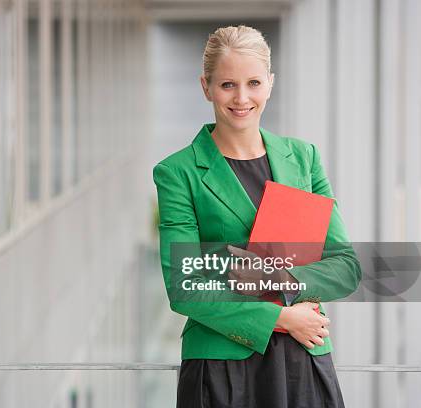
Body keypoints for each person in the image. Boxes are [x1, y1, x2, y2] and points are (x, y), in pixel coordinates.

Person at [152, 25, 361, 408]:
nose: (242, 98)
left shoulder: (303, 159)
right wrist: (281, 319)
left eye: (253, 82)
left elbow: (345, 266)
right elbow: (185, 286)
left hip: (302, 355)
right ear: (206, 87)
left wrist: (281, 280)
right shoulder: (177, 172)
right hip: (221, 361)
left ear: (270, 83)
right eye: (228, 84)